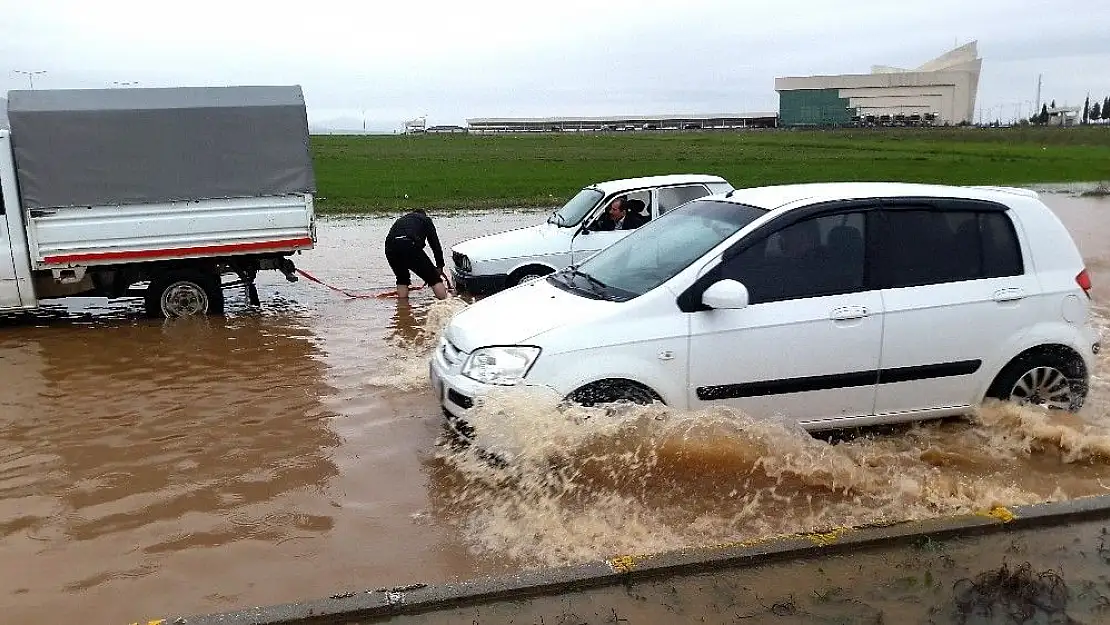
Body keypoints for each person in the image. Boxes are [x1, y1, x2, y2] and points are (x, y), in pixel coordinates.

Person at [384, 208, 449, 300]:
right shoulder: (426, 220)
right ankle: (446, 304)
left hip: (390, 247)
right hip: (408, 244)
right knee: (434, 279)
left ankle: (402, 309)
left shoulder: (402, 220)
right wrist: (439, 266)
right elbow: (435, 245)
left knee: (402, 278)